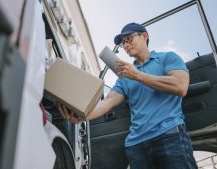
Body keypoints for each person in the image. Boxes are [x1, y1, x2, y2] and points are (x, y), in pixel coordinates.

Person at [58, 22, 197, 169]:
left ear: (144, 36)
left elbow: (180, 86)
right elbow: (107, 102)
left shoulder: (167, 58)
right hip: (136, 146)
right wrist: (82, 115)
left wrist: (137, 75)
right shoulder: (125, 76)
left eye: (129, 39)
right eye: (123, 43)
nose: (126, 45)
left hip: (169, 136)